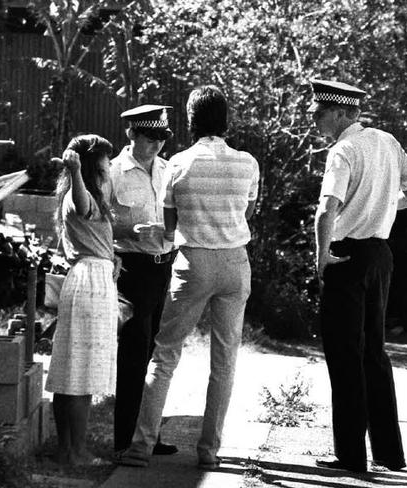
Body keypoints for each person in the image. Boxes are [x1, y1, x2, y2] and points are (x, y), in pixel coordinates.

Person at [117, 85, 259, 470]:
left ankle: (140, 446)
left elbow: (168, 227)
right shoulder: (247, 163)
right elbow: (246, 213)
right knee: (225, 360)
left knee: (164, 356)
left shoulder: (178, 163)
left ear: (191, 120)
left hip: (192, 263)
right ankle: (209, 451)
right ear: (226, 120)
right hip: (234, 263)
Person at [311, 79, 407, 473]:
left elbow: (326, 210)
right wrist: (384, 209)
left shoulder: (343, 150)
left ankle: (349, 455)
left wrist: (321, 257)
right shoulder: (386, 141)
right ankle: (388, 452)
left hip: (347, 254)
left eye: (321, 112)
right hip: (380, 254)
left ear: (342, 113)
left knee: (345, 354)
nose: (315, 118)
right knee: (374, 353)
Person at [44, 134, 119, 466]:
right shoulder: (80, 194)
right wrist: (75, 171)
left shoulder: (92, 195)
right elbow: (82, 204)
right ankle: (76, 452)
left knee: (72, 370)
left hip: (91, 278)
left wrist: (111, 257)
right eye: (104, 158)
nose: (108, 165)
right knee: (81, 373)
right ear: (92, 163)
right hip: (89, 283)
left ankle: (68, 449)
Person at [108, 104, 178, 456]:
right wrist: (129, 229)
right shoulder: (114, 172)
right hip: (132, 267)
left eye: (161, 139)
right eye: (149, 139)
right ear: (131, 134)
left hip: (164, 265)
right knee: (134, 354)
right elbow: (98, 222)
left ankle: (148, 434)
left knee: (157, 354)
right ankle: (125, 438)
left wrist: (171, 232)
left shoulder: (168, 170)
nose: (156, 146)